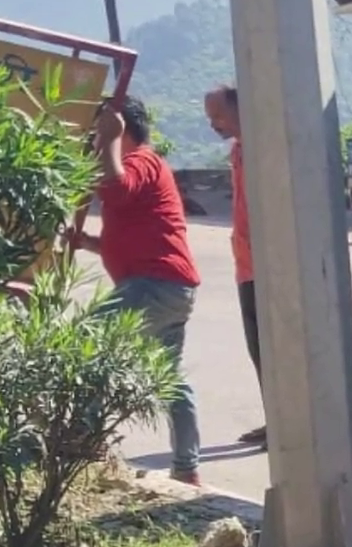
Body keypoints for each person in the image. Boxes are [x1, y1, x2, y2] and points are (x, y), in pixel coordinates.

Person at [73, 97, 204, 483]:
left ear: (119, 128)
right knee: (168, 377)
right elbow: (133, 232)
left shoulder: (142, 161)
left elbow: (116, 190)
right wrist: (90, 243)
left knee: (88, 339)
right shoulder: (143, 165)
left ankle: (85, 440)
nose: (96, 141)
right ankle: (186, 467)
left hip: (155, 284)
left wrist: (110, 138)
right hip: (168, 285)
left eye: (100, 131)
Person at [205, 86, 266, 448]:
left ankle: (286, 423)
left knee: (274, 353)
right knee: (259, 352)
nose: (215, 124)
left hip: (265, 267)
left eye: (218, 116)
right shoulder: (239, 151)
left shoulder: (261, 148)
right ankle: (275, 419)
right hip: (245, 264)